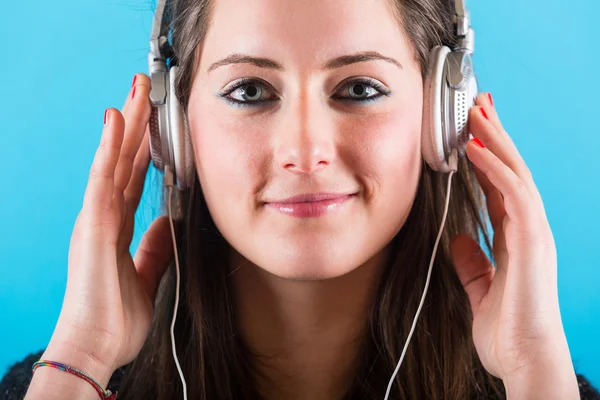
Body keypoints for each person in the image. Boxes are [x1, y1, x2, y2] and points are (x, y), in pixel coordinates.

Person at [1, 0, 599, 399]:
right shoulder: (64, 381)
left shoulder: (541, 385)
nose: (305, 150)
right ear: (174, 129)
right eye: (250, 90)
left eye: (360, 88)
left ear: (443, 118)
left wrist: (534, 373)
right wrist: (81, 356)